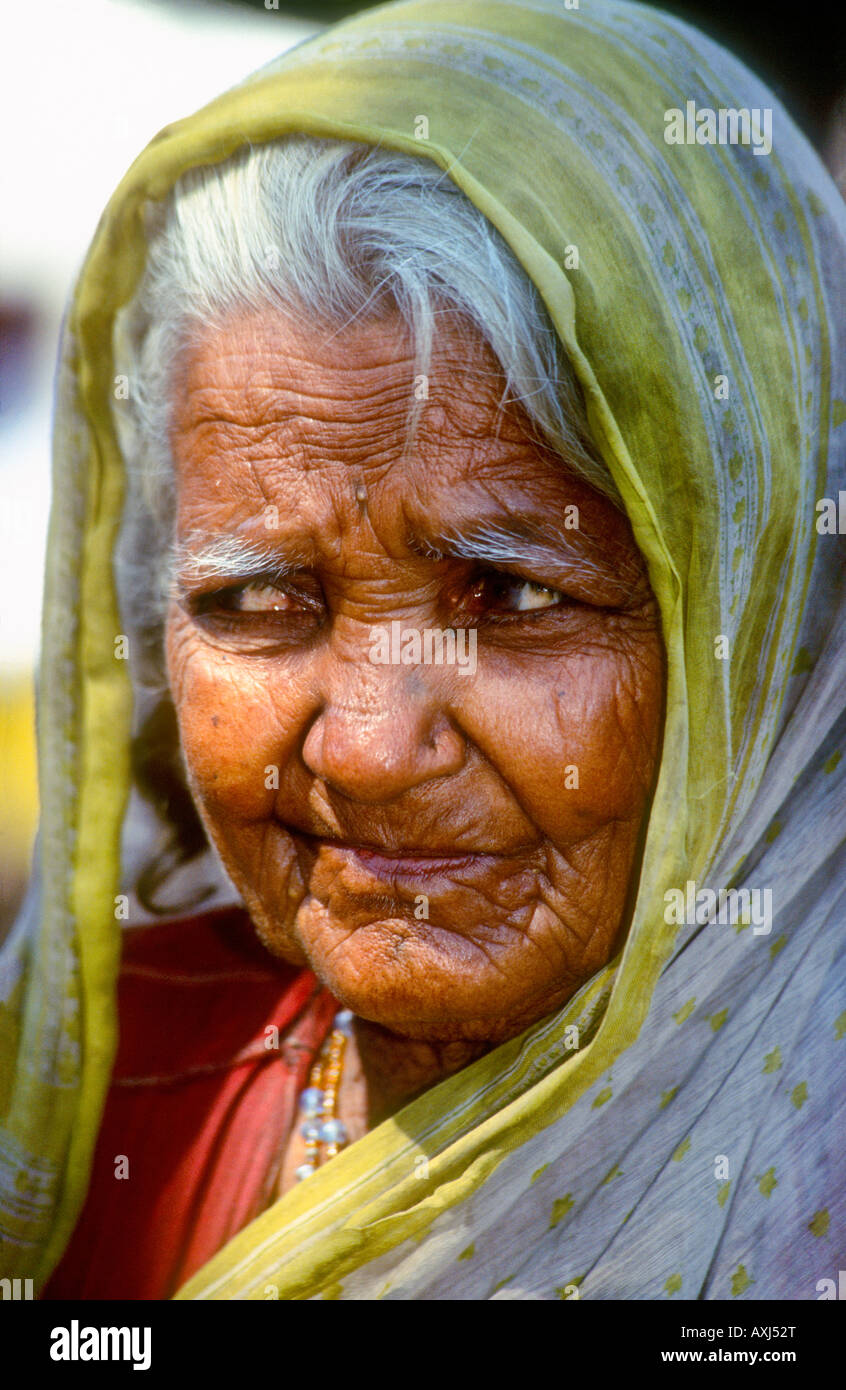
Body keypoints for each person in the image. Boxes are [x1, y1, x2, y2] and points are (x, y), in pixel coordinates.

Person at [1, 0, 843, 1301]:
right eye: (261, 597)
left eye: (507, 594)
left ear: (760, 615)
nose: (372, 749)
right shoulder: (123, 1089)